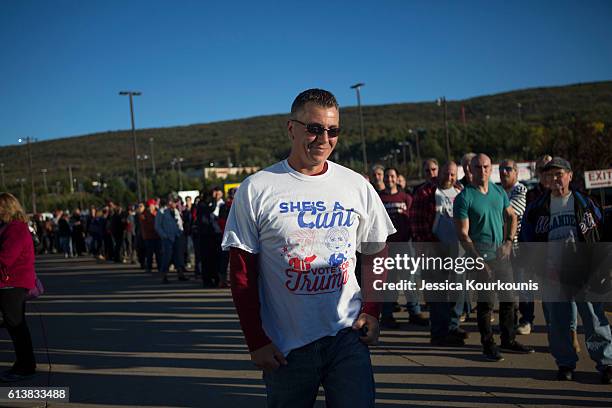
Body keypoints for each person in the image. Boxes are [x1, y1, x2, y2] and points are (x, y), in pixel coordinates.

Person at [222, 88, 395, 407]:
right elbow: (242, 273)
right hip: (287, 347)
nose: (323, 138)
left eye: (333, 130)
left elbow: (376, 250)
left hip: (347, 338)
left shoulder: (356, 185)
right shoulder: (258, 188)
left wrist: (372, 310)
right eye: (314, 128)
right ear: (291, 128)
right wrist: (255, 340)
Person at [520, 157, 612, 383]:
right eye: (550, 175)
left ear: (570, 176)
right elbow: (527, 241)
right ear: (545, 180)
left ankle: (607, 363)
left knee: (593, 318)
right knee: (559, 322)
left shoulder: (585, 203)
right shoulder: (537, 209)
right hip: (552, 274)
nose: (555, 179)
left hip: (584, 272)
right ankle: (565, 363)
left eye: (559, 174)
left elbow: (601, 236)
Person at [454, 153, 534, 361]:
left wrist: (508, 241)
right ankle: (488, 344)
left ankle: (508, 340)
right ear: (470, 170)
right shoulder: (464, 198)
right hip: (480, 258)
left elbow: (512, 216)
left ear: (491, 168)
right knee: (486, 303)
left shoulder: (498, 192)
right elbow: (463, 233)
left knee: (508, 300)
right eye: (478, 167)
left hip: (501, 257)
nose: (483, 171)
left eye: (486, 167)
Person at [410, 161, 468, 346]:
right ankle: (439, 333)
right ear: (439, 172)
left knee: (457, 292)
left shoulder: (460, 190)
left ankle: (452, 326)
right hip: (434, 250)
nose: (449, 178)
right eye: (446, 173)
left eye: (452, 174)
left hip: (457, 250)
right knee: (438, 295)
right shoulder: (425, 192)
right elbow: (416, 222)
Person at [378, 167, 427, 329]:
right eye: (387, 176)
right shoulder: (379, 198)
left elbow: (413, 219)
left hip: (405, 246)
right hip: (387, 247)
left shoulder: (406, 197)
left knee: (409, 282)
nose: (389, 179)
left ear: (397, 178)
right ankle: (387, 316)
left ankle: (415, 313)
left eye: (392, 176)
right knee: (389, 283)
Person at [0, 193, 37, 382]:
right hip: (11, 282)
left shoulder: (14, 229)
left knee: (16, 325)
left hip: (12, 283)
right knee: (16, 325)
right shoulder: (14, 228)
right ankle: (24, 363)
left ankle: (26, 364)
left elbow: (7, 257)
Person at [499, 160, 531, 334]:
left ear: (516, 172)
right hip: (502, 248)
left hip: (518, 247)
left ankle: (526, 320)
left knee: (522, 285)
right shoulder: (500, 191)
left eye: (508, 169)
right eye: (502, 169)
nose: (504, 172)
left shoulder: (521, 190)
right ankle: (512, 322)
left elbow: (510, 214)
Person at [155, 197, 189, 284]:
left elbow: (180, 223)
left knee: (178, 256)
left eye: (175, 202)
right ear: (168, 203)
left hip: (177, 236)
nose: (174, 204)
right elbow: (158, 226)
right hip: (168, 238)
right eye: (173, 202)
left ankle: (180, 274)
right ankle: (164, 275)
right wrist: (164, 236)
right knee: (167, 257)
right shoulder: (161, 212)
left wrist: (180, 232)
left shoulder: (176, 211)